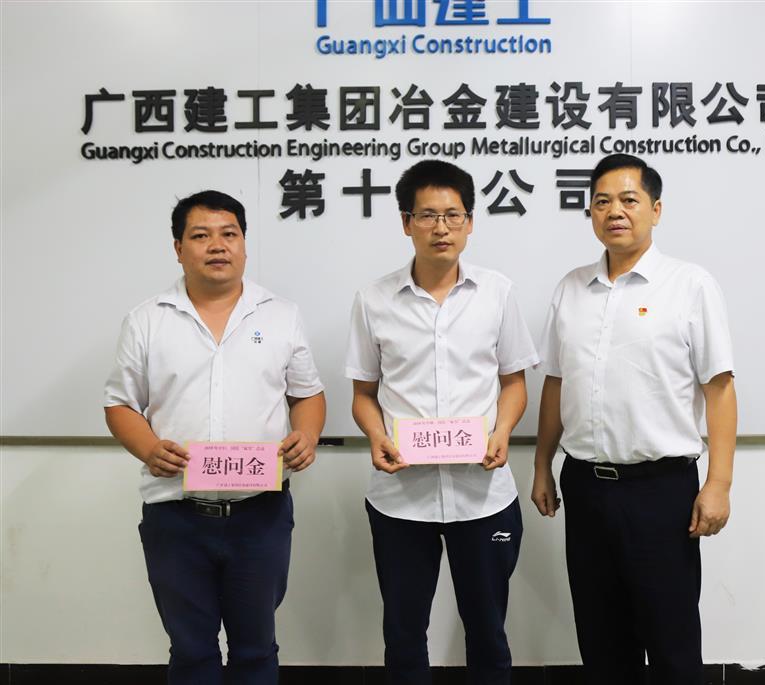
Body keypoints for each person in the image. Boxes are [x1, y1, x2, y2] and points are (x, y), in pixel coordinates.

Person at [104, 190, 326, 684]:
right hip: (176, 514)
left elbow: (307, 394)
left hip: (260, 513)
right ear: (178, 248)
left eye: (229, 234)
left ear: (244, 244)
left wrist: (307, 434)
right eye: (201, 235)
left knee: (256, 648)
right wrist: (148, 447)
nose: (217, 245)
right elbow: (119, 404)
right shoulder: (147, 319)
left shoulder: (280, 314)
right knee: (190, 650)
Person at [531, 154, 737, 684]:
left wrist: (718, 484)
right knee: (601, 639)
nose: (614, 212)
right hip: (585, 486)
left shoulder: (689, 285)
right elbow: (555, 382)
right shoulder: (570, 288)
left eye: (629, 200)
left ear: (656, 210)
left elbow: (719, 388)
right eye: (602, 202)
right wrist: (541, 466)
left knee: (671, 639)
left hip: (661, 491)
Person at [345, 160, 539, 685]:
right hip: (401, 499)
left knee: (488, 631)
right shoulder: (373, 299)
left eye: (453, 215)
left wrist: (501, 432)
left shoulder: (497, 292)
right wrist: (377, 436)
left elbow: (514, 383)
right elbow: (363, 395)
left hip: (483, 495)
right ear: (406, 222)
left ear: (470, 222)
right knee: (404, 632)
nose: (441, 228)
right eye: (427, 215)